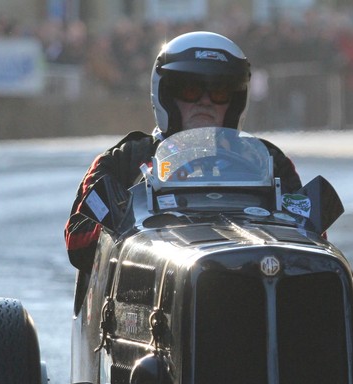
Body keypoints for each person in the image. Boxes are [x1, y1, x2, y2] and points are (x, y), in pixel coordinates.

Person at [64, 31, 301, 271]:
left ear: (235, 102)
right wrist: (127, 212)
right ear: (167, 95)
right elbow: (77, 244)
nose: (205, 101)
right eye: (190, 90)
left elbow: (311, 232)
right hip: (151, 285)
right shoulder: (123, 158)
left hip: (248, 278)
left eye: (219, 92)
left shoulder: (268, 160)